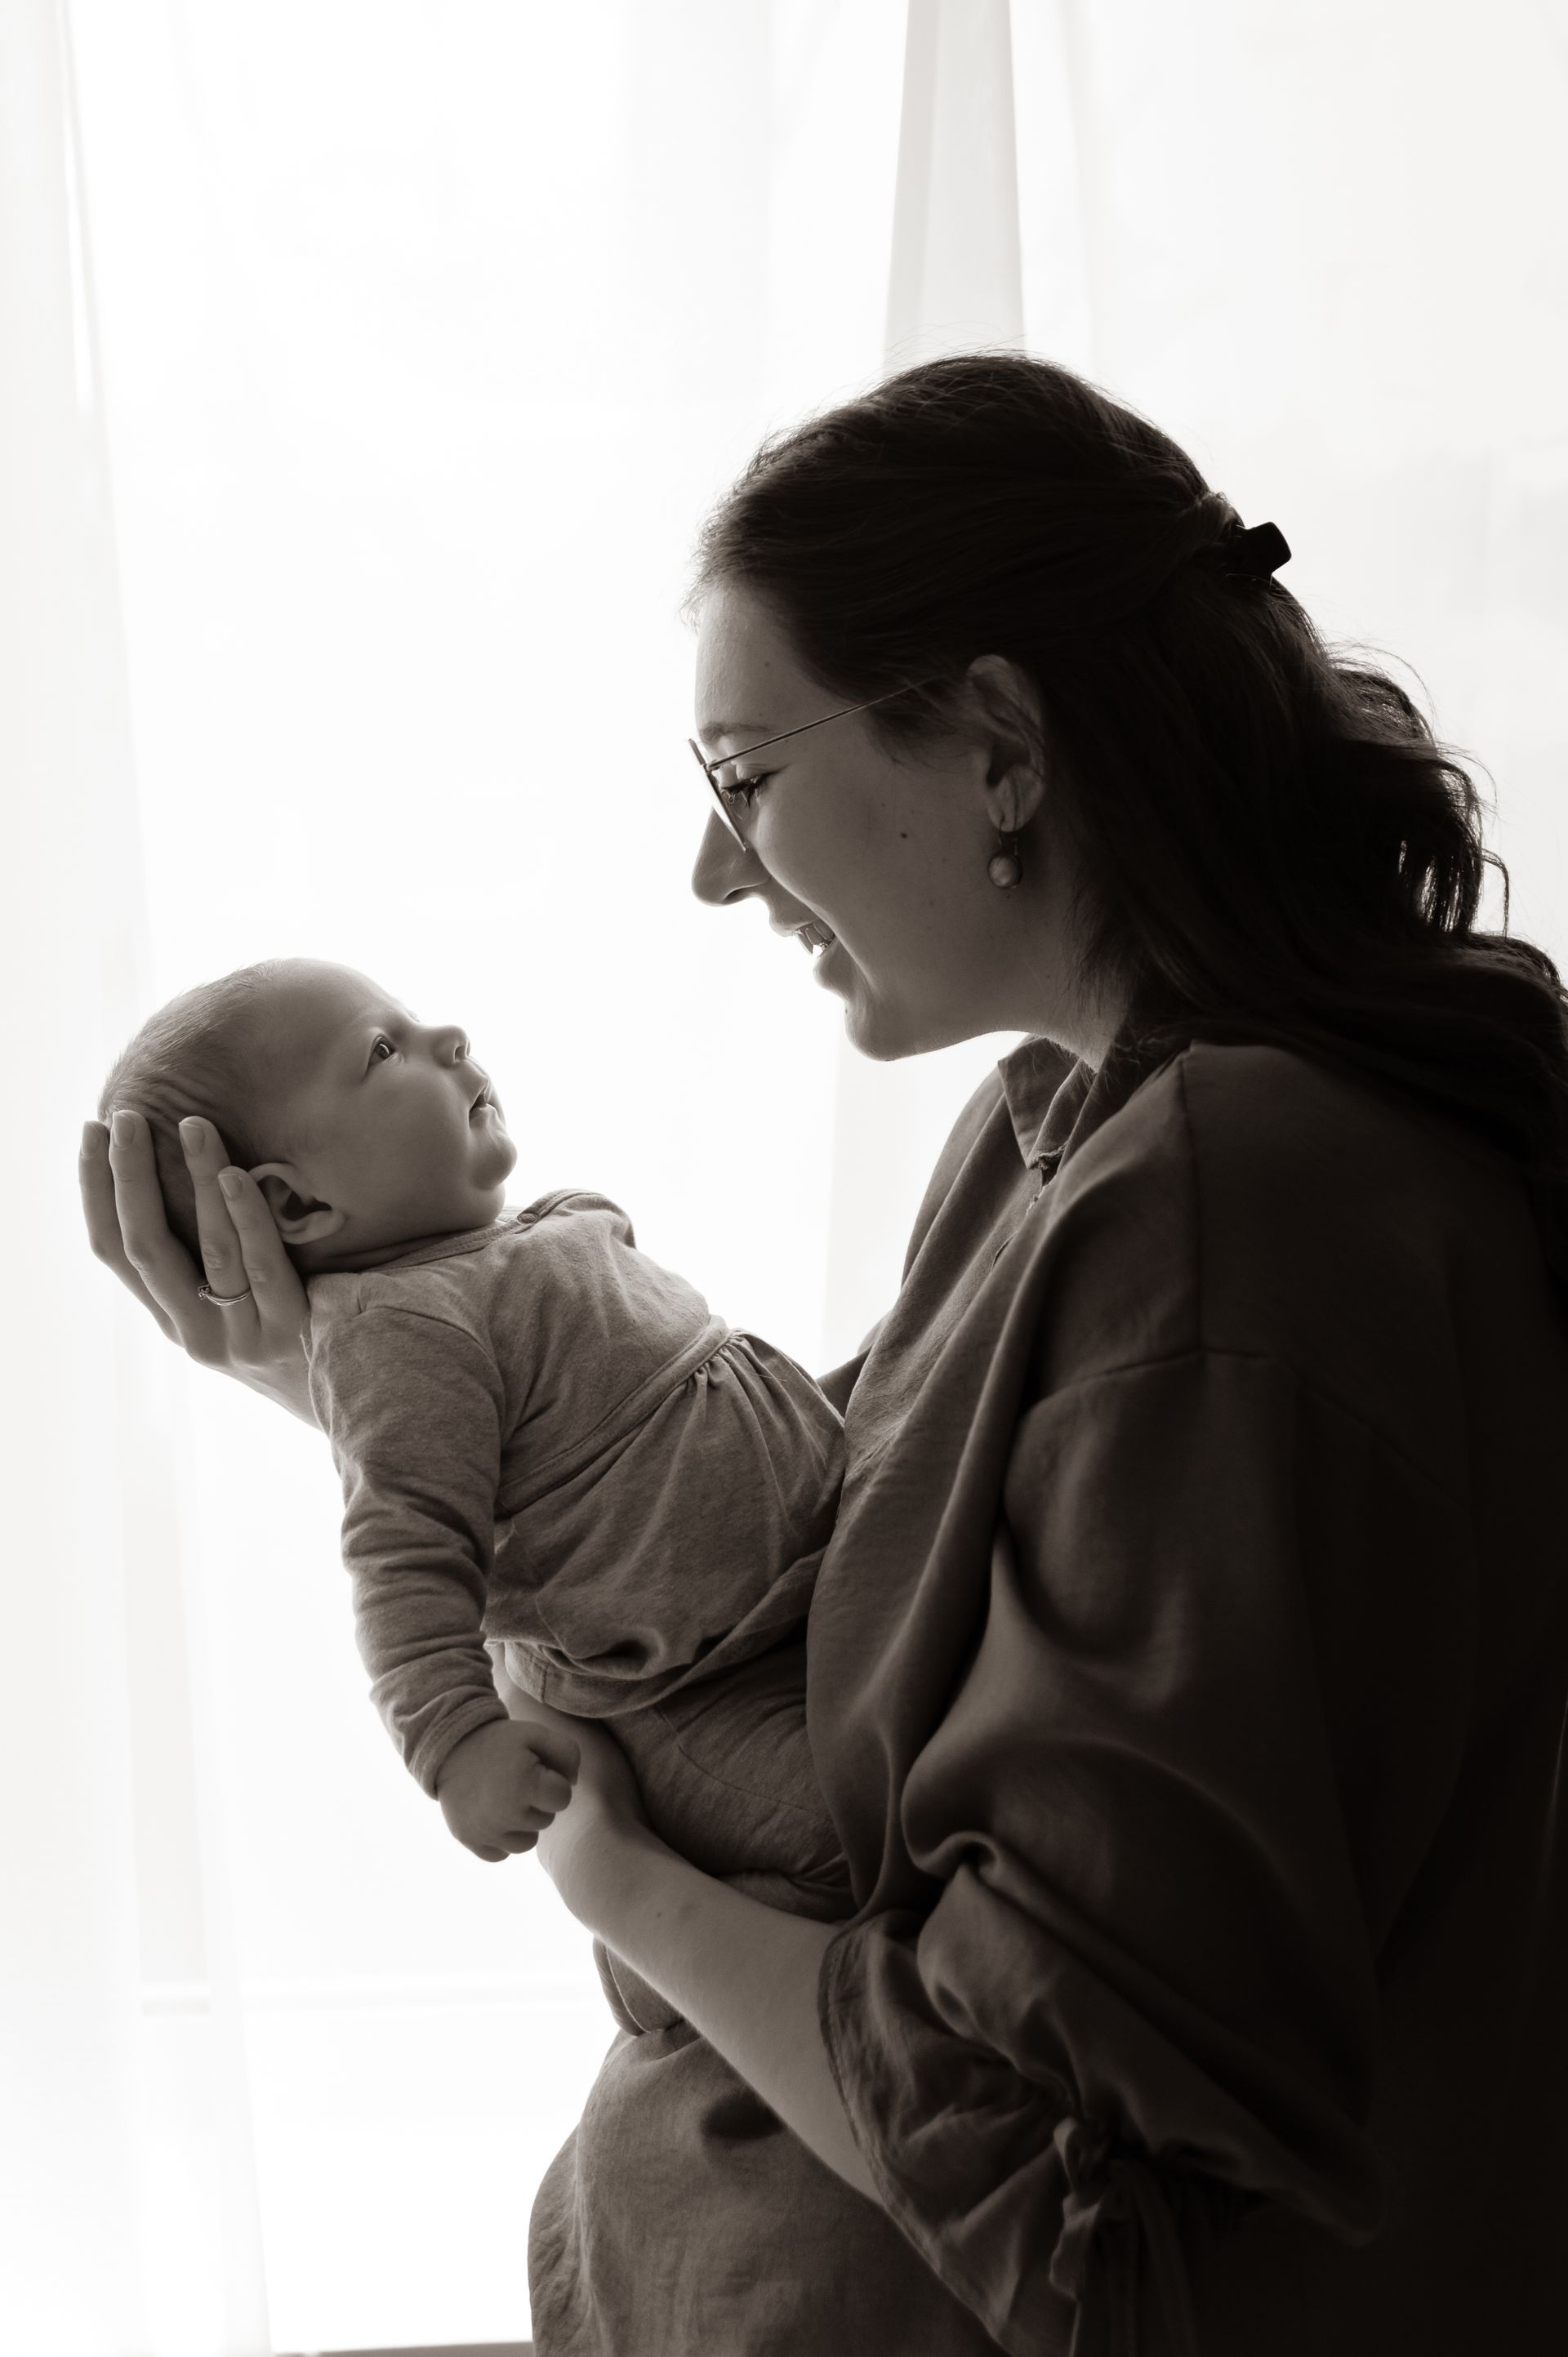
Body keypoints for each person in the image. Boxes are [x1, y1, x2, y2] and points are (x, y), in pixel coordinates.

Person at [82, 352, 1568, 2355]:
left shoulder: (1228, 1214)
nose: (713, 872)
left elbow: (1081, 2210)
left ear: (996, 750)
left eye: (741, 779)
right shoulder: (1063, 1131)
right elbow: (779, 1596)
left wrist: (615, 1884)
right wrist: (349, 1393)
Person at [95, 957, 849, 1920]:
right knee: (847, 1824)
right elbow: (403, 1558)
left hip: (808, 1592)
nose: (447, 1038)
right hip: (696, 1692)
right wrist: (455, 1742)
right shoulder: (397, 1336)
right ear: (293, 1206)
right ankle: (671, 1984)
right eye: (383, 1050)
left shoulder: (542, 1234)